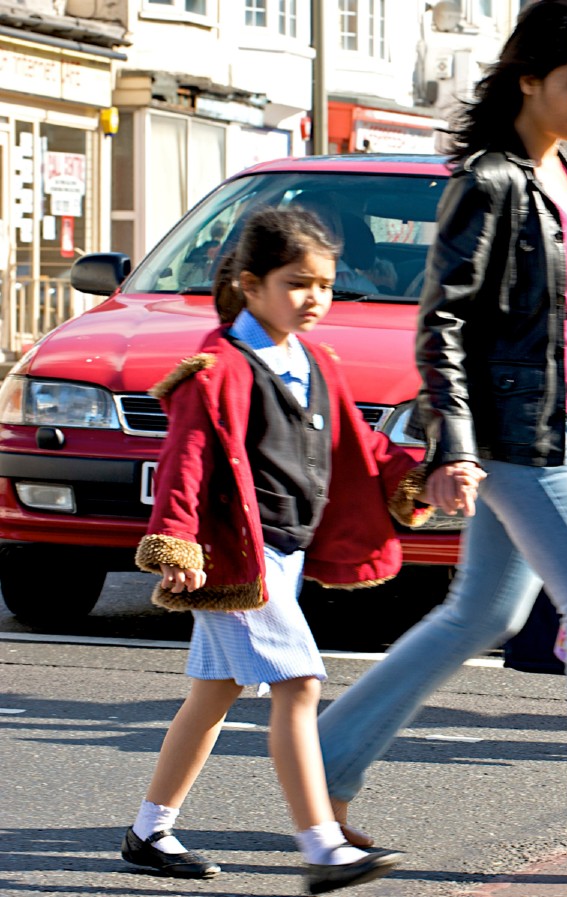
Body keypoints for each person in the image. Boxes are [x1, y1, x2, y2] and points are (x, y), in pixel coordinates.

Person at [312, 3, 567, 893]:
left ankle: (322, 764)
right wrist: (454, 444)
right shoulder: (488, 181)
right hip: (515, 434)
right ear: (530, 79)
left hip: (559, 430)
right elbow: (442, 320)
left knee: (482, 612)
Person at [123, 207, 443, 893]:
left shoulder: (316, 359)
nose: (315, 299)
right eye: (298, 283)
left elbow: (361, 446)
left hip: (286, 552)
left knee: (215, 692)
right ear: (249, 283)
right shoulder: (217, 369)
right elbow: (185, 461)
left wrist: (408, 478)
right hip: (235, 559)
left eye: (325, 285)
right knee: (298, 684)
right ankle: (323, 845)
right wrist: (176, 545)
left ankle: (149, 830)